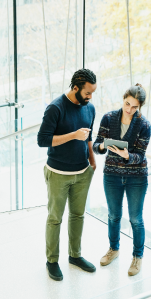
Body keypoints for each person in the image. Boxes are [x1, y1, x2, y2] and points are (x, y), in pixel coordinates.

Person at [37, 68, 98, 281]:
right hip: (58, 173)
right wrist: (73, 135)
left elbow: (89, 137)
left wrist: (92, 159)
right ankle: (52, 261)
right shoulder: (55, 108)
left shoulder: (89, 108)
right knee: (55, 218)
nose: (90, 97)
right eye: (88, 93)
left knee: (78, 215)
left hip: (83, 172)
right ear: (75, 88)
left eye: (92, 93)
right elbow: (42, 140)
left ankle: (75, 256)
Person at [93, 83, 151, 276]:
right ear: (123, 99)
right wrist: (102, 148)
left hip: (136, 178)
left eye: (134, 107)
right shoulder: (109, 118)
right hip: (112, 175)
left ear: (139, 107)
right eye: (127, 104)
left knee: (136, 219)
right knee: (113, 215)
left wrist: (128, 156)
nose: (129, 109)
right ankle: (114, 249)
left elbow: (141, 155)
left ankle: (137, 257)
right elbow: (96, 145)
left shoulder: (144, 125)